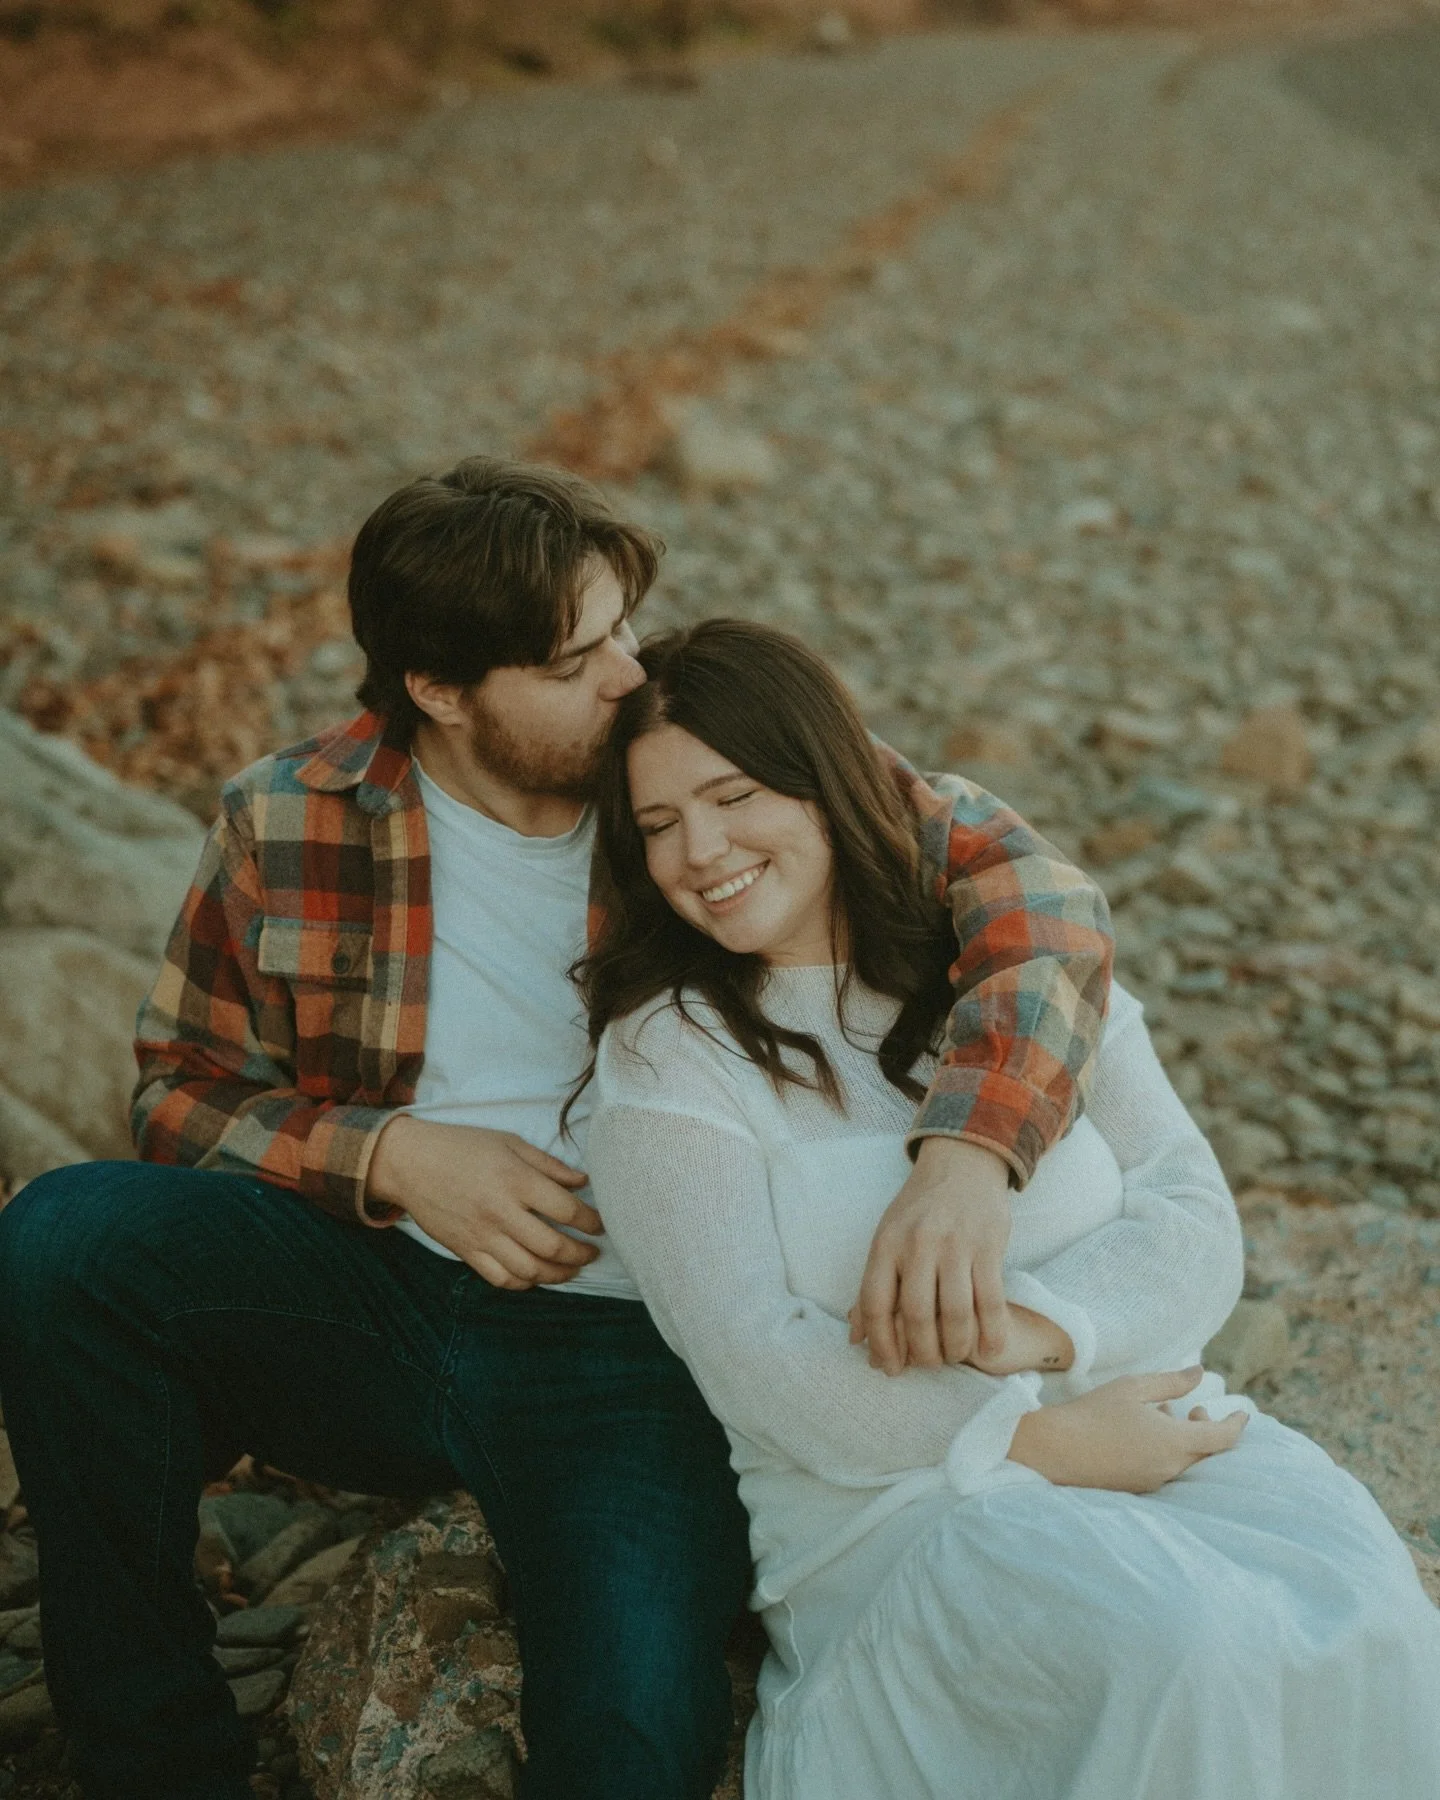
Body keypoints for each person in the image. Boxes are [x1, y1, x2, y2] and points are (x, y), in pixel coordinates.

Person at [0, 458, 1116, 1800]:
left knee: (631, 1734)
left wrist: (971, 1153)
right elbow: (180, 1092)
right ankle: (152, 1759)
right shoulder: (288, 817)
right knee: (66, 1239)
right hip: (376, 1294)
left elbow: (1039, 896)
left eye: (622, 631)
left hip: (636, 1350)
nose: (626, 676)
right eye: (575, 660)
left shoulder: (686, 780)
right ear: (440, 689)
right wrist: (390, 1157)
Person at [577, 617, 1440, 1800]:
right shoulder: (668, 1057)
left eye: (734, 798)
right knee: (1178, 1644)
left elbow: (1192, 1216)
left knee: (1371, 1615)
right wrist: (1028, 1438)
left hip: (1159, 1430)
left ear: (826, 784)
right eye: (659, 824)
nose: (700, 850)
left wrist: (1035, 1333)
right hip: (899, 1511)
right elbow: (756, 1361)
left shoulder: (1011, 970)